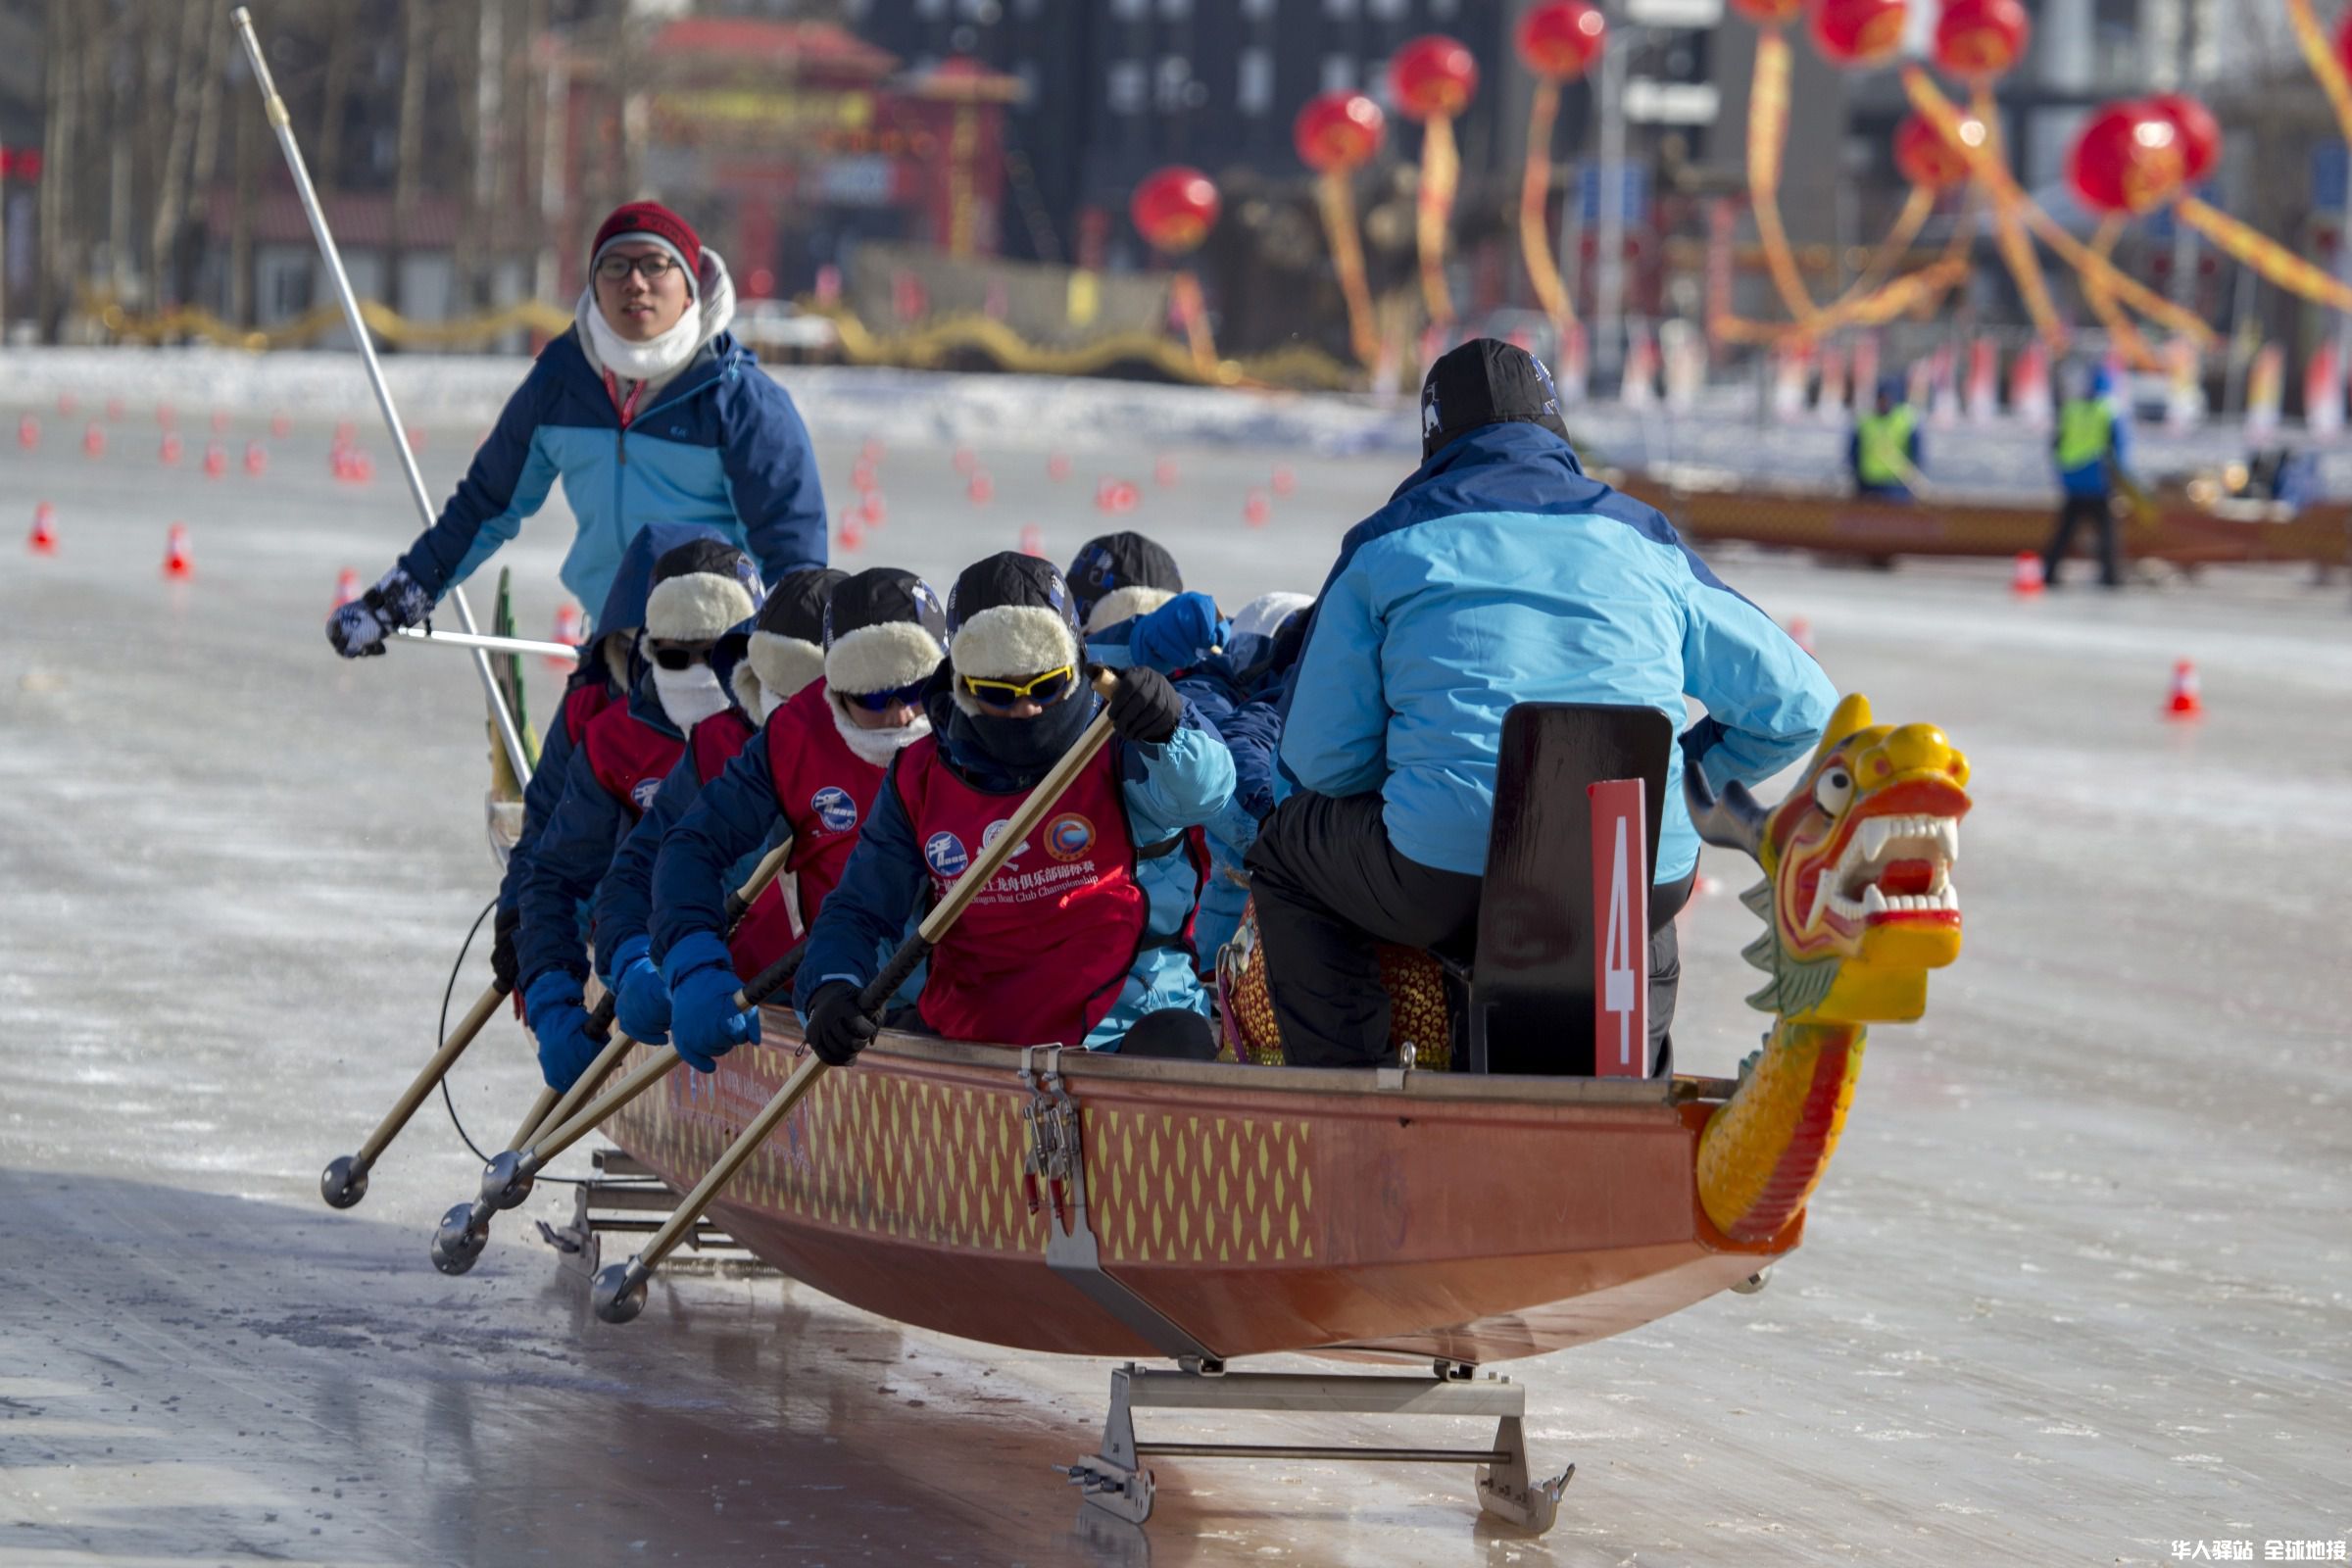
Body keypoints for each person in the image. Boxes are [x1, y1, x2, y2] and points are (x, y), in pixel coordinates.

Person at [1251, 337, 1838, 1071]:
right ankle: (1623, 1095)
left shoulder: (1386, 544)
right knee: (1637, 845)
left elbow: (1321, 763)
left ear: (1434, 440)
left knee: (1285, 849)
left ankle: (1348, 1103)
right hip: (1624, 875)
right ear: (1555, 430)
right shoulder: (1645, 540)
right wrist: (1678, 770)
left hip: (1442, 875)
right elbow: (1799, 705)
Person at [786, 553, 1235, 1066]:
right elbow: (861, 909)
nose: (1027, 710)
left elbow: (1209, 794)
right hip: (977, 1040)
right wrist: (829, 989)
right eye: (1000, 694)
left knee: (1179, 1041)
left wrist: (1170, 731)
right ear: (964, 685)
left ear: (1073, 666)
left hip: (1126, 1025)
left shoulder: (1122, 729)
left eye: (1045, 687)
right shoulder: (920, 775)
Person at [325, 201, 826, 658]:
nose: (635, 281)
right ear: (594, 283)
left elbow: (792, 549)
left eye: (655, 264)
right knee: (569, 764)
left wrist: (776, 665)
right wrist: (394, 601)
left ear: (691, 285)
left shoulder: (741, 402)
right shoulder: (561, 383)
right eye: (616, 265)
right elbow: (485, 505)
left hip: (715, 660)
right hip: (610, 648)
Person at [650, 567, 951, 1071]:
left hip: (979, 1004)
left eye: (916, 689)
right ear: (836, 685)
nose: (900, 716)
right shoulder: (795, 733)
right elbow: (693, 846)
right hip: (849, 1005)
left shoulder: (984, 712)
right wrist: (692, 959)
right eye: (874, 697)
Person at [516, 532, 763, 1092]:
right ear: (650, 650)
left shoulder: (785, 735)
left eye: (718, 652)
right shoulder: (612, 743)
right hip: (646, 976)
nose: (701, 674)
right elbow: (557, 880)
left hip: (764, 980)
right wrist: (554, 998)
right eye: (679, 656)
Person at [589, 567, 848, 1050]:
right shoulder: (722, 747)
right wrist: (635, 959)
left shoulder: (899, 756)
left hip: (853, 1008)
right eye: (784, 697)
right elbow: (642, 868)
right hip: (733, 999)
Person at [1182, 591, 1314, 964]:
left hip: (1226, 941)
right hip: (1212, 947)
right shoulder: (1203, 694)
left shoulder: (1257, 703)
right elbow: (1232, 756)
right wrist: (1279, 831)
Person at [2041, 362, 2132, 589]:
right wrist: (2120, 481)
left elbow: (2055, 443)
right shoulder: (2108, 411)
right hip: (2098, 480)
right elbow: (2119, 448)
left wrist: (2062, 473)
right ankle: (2110, 577)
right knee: (2106, 533)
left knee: (2065, 531)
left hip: (2073, 480)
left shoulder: (2071, 409)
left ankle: (2049, 572)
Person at [1848, 374, 1922, 501]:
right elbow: (1854, 452)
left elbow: (1916, 452)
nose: (1884, 402)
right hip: (1867, 484)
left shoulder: (1905, 420)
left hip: (1896, 485)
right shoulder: (1865, 421)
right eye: (1881, 398)